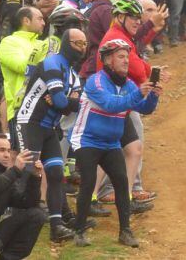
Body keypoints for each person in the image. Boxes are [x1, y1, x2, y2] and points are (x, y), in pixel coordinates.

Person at [70, 39, 159, 247]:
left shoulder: (128, 85)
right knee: (89, 182)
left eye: (127, 56)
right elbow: (110, 104)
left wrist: (153, 95)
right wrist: (139, 93)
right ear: (108, 60)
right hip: (87, 139)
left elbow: (145, 108)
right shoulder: (96, 81)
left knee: (122, 183)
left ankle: (125, 231)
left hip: (110, 143)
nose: (126, 61)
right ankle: (79, 231)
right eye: (121, 56)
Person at [15, 29, 88, 241]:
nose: (82, 48)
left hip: (49, 128)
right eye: (77, 43)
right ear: (66, 43)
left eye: (85, 44)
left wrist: (66, 101)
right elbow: (63, 103)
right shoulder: (52, 63)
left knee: (56, 174)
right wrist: (66, 101)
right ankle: (12, 216)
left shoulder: (73, 73)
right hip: (29, 122)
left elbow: (74, 105)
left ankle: (56, 226)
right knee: (28, 172)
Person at [0, 7, 48, 139]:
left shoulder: (41, 43)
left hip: (44, 107)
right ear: (26, 20)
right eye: (40, 19)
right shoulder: (9, 42)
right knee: (20, 154)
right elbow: (22, 67)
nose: (44, 23)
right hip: (20, 109)